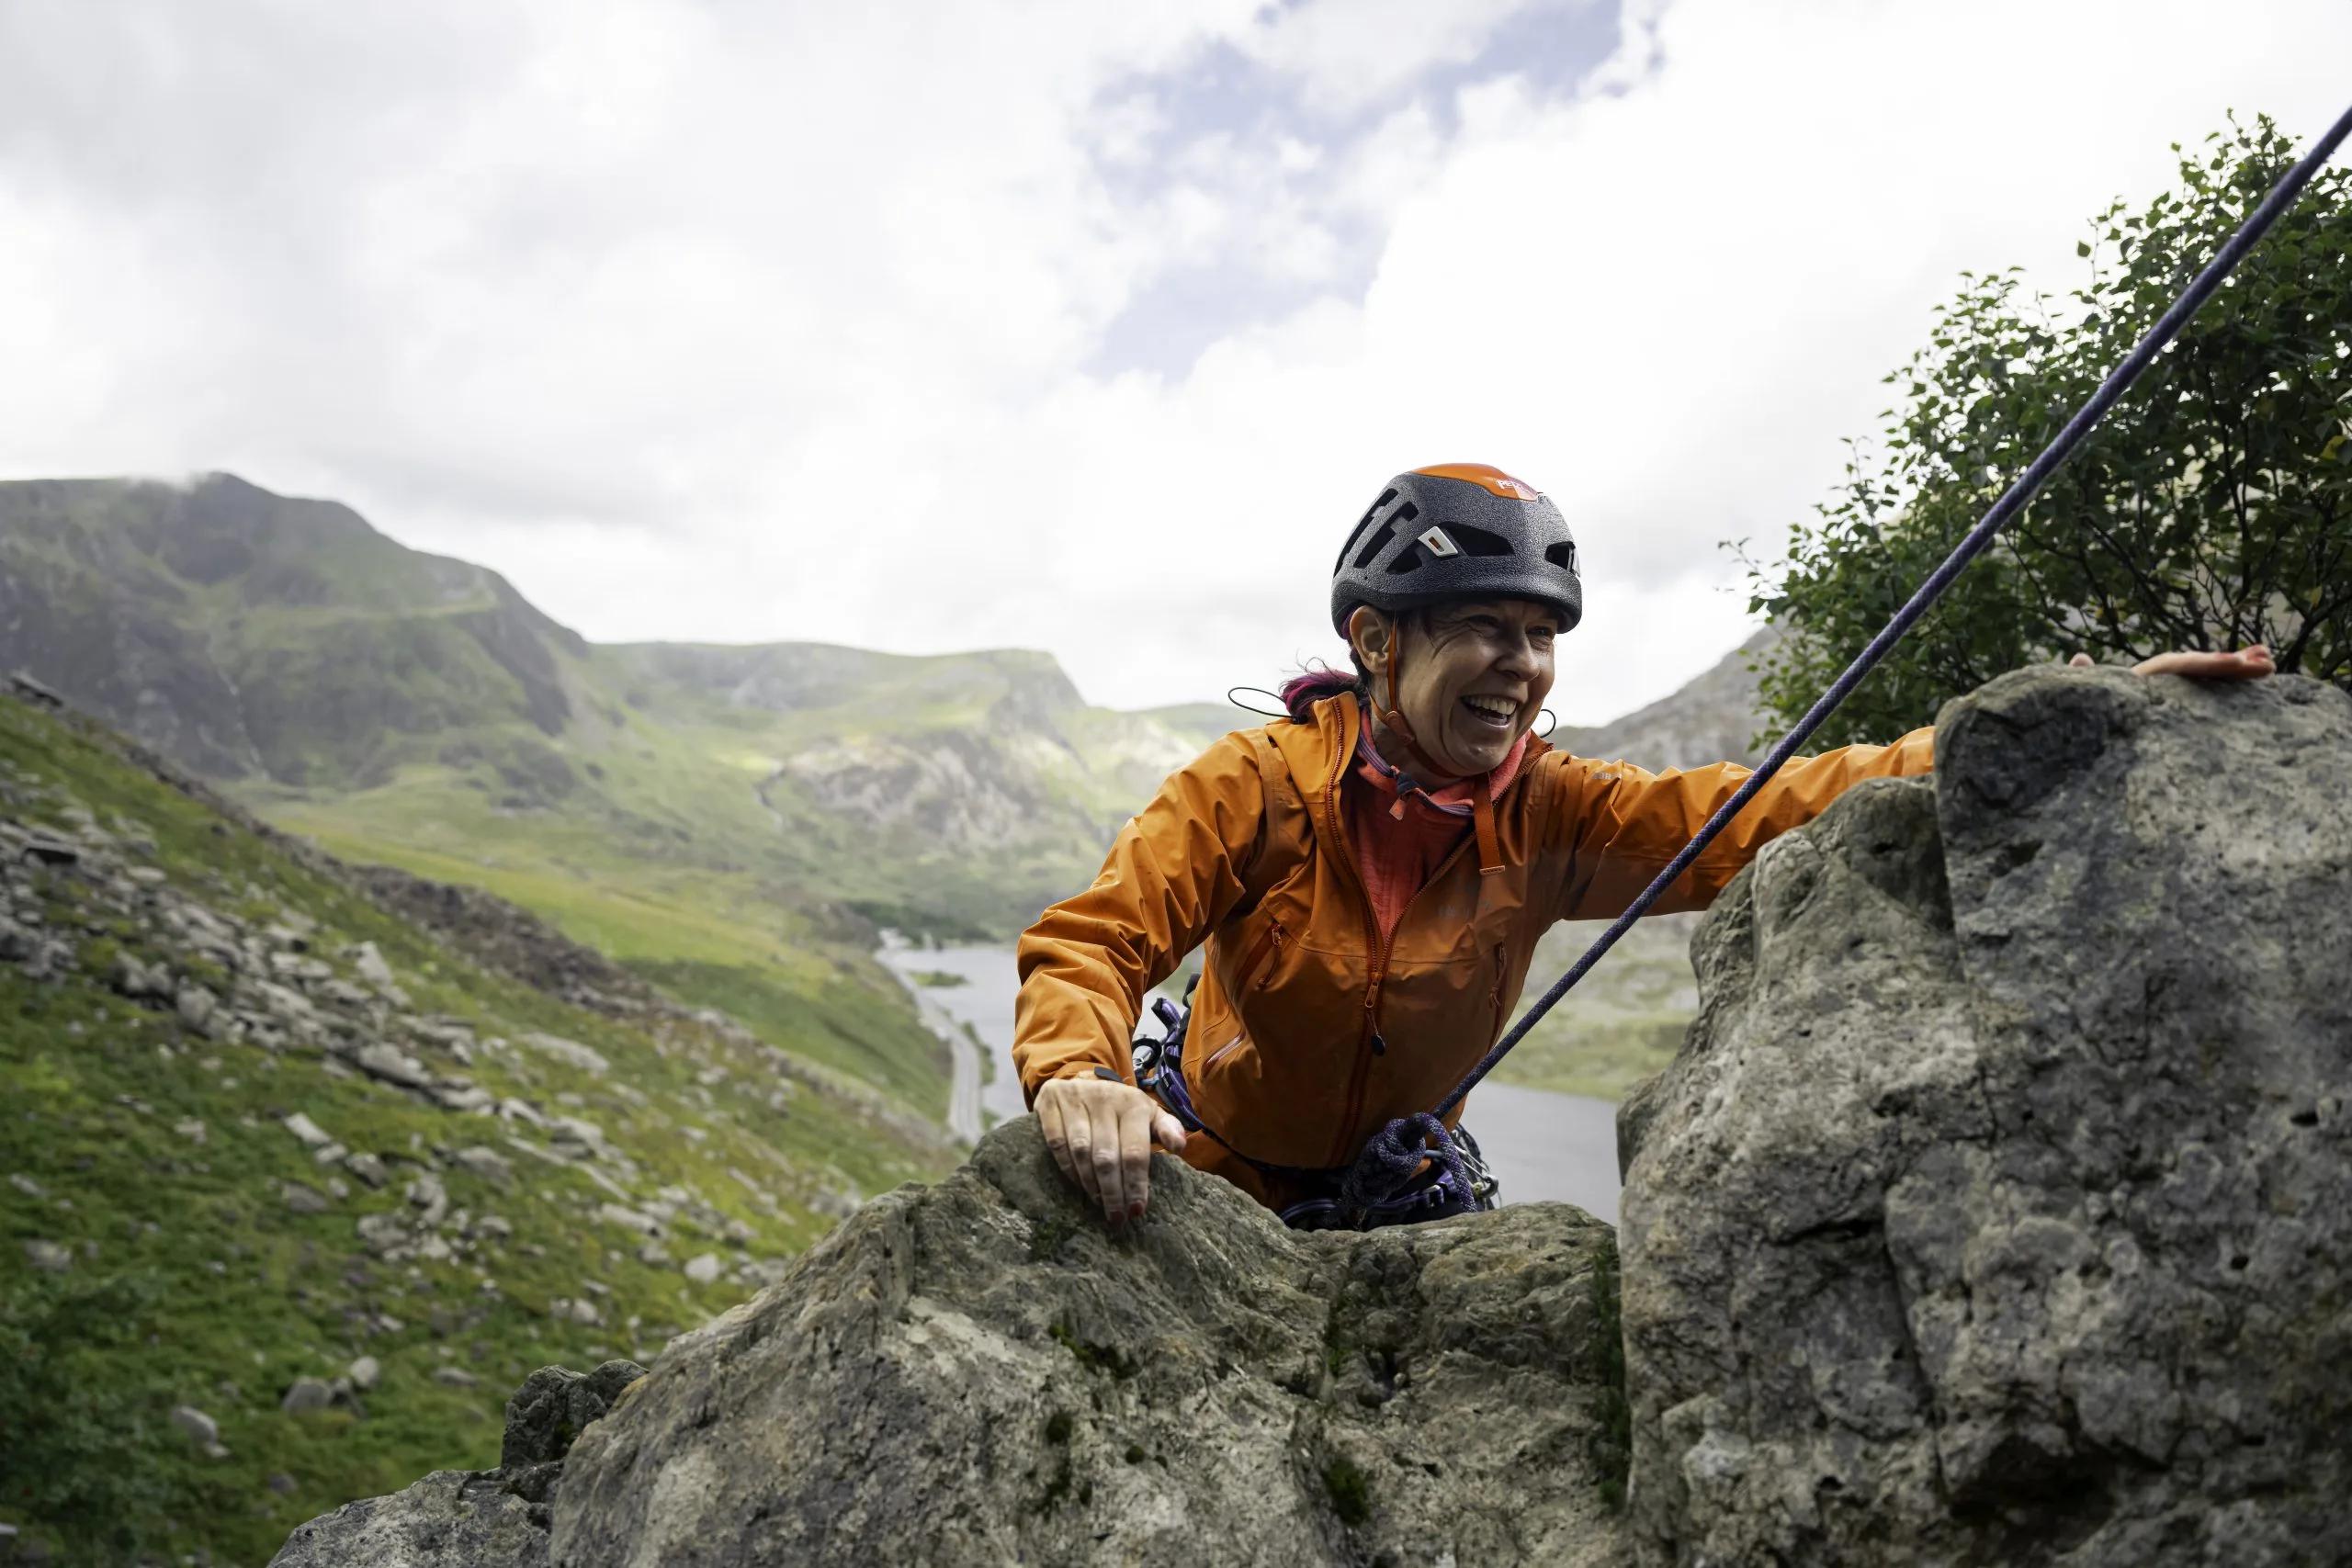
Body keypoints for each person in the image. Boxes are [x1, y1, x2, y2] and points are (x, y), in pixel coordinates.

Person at [1012, 462, 2274, 1228]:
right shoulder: (1256, 787)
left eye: (1541, 633)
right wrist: (1078, 1070)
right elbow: (1095, 940)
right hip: (1214, 1171)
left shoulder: (1558, 813)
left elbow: (1770, 806)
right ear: (1377, 638)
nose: (1521, 666)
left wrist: (2048, 719)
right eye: (1483, 627)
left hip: (1390, 1193)